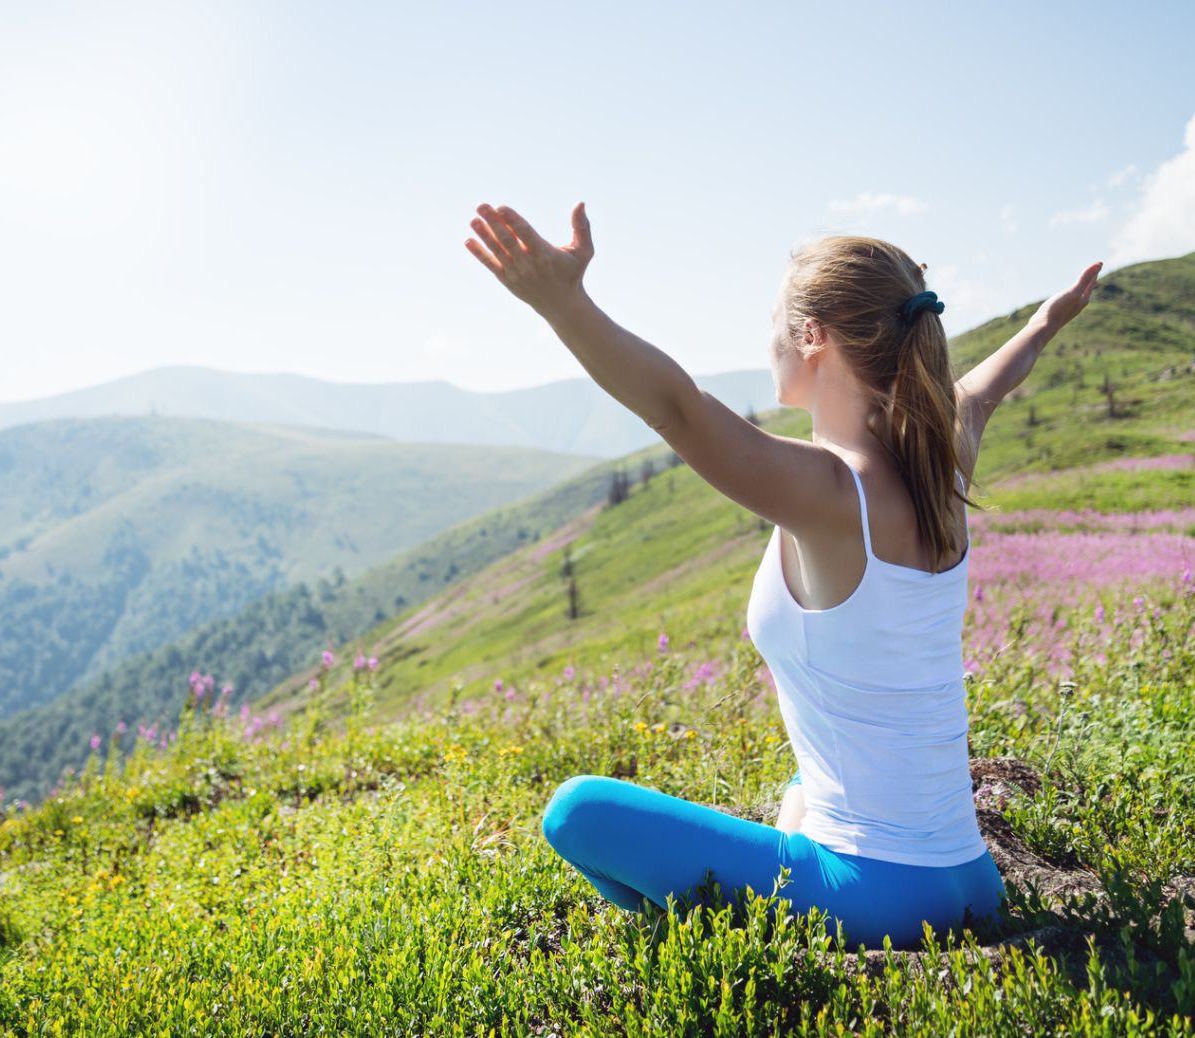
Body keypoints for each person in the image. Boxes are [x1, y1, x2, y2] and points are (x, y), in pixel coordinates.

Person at [464, 200, 1102, 951]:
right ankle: (769, 899)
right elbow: (989, 385)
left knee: (577, 812)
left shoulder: (833, 492)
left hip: (879, 894)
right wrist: (1043, 324)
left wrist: (562, 303)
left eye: (775, 320)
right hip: (969, 880)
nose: (767, 340)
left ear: (812, 337)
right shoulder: (942, 455)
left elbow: (677, 408)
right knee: (802, 787)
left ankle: (712, 939)